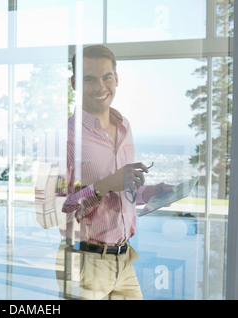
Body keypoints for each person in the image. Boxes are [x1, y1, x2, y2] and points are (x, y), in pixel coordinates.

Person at [62, 45, 172, 300]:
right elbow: (60, 210)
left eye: (106, 77)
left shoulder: (124, 127)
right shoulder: (65, 138)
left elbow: (125, 192)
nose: (100, 87)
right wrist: (104, 186)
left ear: (116, 79)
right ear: (74, 83)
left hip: (124, 260)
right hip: (85, 263)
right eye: (89, 79)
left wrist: (151, 192)